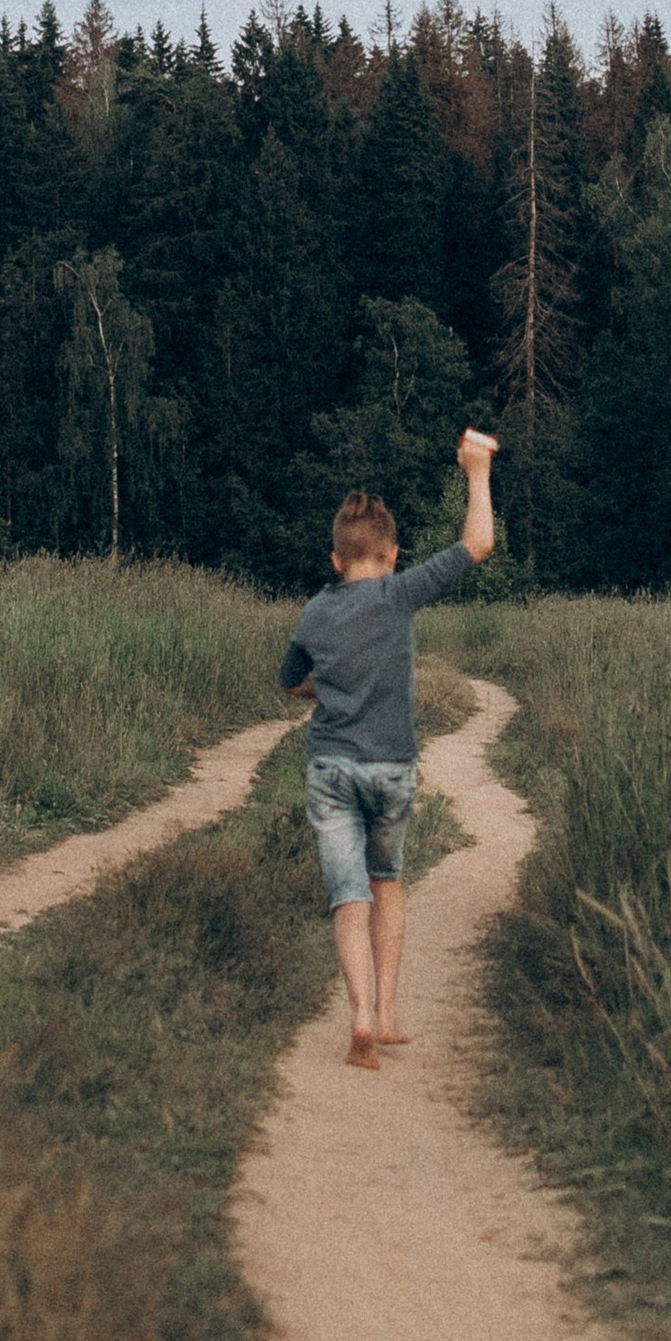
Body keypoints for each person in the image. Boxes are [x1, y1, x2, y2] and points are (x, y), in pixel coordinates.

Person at [280, 426, 498, 1068]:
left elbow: (289, 679)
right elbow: (477, 543)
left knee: (348, 894)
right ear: (394, 554)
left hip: (330, 768)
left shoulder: (316, 612)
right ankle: (392, 1010)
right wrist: (475, 472)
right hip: (392, 769)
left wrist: (324, 685)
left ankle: (360, 1016)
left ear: (336, 560)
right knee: (388, 883)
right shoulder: (400, 594)